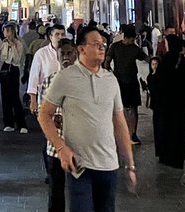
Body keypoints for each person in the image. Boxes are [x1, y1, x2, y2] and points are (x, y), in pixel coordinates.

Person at [39, 25, 137, 212]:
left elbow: (120, 122)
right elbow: (44, 115)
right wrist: (61, 148)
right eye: (95, 44)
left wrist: (130, 163)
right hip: (79, 165)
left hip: (108, 164)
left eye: (103, 44)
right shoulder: (65, 78)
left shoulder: (110, 80)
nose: (101, 48)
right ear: (81, 49)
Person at [40, 39, 78, 212]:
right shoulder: (49, 81)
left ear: (75, 54)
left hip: (79, 145)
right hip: (55, 146)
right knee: (56, 191)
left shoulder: (82, 81)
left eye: (69, 53)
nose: (66, 57)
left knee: (80, 191)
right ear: (57, 55)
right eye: (63, 53)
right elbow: (42, 111)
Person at [152, 34, 185, 169]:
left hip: (166, 104)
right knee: (179, 129)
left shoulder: (166, 61)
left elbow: (158, 82)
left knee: (166, 129)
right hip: (181, 104)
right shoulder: (183, 62)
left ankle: (166, 156)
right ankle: (178, 156)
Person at [104, 23, 147, 145]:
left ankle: (133, 134)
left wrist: (156, 63)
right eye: (132, 40)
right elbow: (108, 60)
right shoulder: (115, 47)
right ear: (125, 38)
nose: (133, 41)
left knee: (134, 108)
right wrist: (108, 73)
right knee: (120, 108)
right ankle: (121, 133)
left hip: (132, 80)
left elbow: (145, 57)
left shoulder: (134, 48)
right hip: (119, 81)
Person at [27, 25, 64, 117]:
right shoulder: (41, 54)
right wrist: (33, 100)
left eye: (62, 34)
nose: (60, 37)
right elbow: (34, 77)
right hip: (47, 97)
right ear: (50, 37)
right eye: (57, 34)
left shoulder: (70, 53)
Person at [0, 22, 27, 133]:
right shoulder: (3, 44)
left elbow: (17, 59)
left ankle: (21, 124)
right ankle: (8, 122)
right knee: (5, 97)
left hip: (14, 69)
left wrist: (12, 46)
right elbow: (2, 58)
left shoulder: (19, 43)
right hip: (5, 69)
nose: (5, 33)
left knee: (15, 96)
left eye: (6, 31)